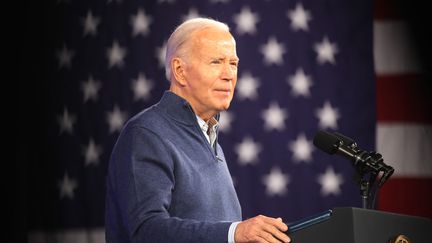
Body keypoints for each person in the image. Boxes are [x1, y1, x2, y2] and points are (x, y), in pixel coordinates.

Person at [105, 17, 291, 243]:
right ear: (180, 70)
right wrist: (234, 233)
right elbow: (146, 230)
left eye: (233, 63)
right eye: (216, 62)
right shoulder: (146, 133)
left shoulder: (211, 141)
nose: (229, 74)